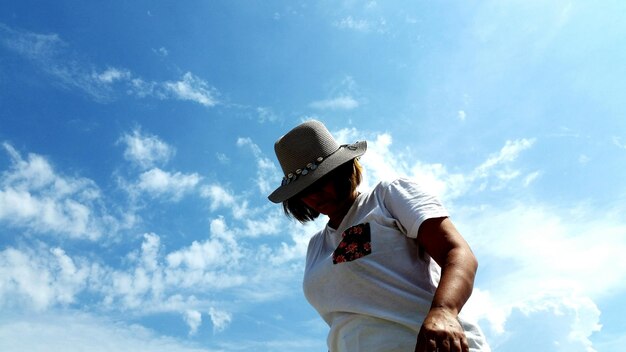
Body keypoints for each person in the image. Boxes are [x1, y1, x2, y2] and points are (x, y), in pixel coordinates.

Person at [268, 120, 490, 352]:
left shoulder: (387, 197)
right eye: (304, 190)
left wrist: (444, 311)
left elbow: (456, 252)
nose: (315, 195)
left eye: (322, 180)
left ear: (344, 170)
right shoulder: (316, 246)